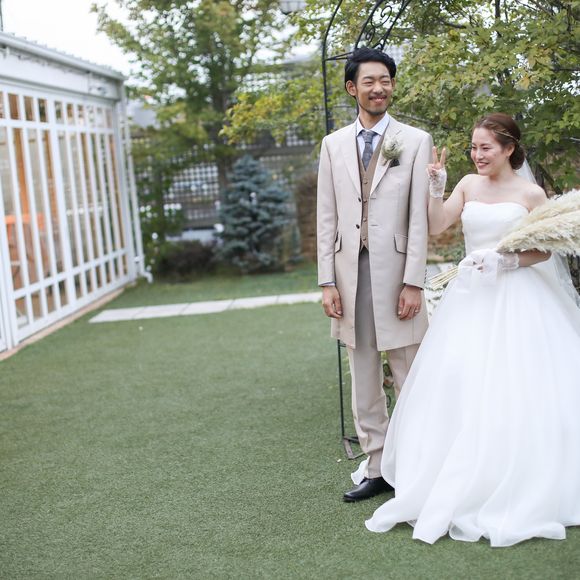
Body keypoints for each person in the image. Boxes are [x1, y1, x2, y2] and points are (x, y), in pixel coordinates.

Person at [365, 113, 580, 546]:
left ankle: (520, 473)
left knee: (520, 383)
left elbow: (545, 249)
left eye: (485, 148)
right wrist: (437, 188)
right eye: (473, 147)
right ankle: (459, 469)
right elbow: (438, 224)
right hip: (471, 299)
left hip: (519, 296)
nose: (477, 155)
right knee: (462, 379)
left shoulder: (531, 193)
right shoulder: (467, 184)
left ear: (508, 149)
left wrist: (507, 260)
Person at [317, 47, 433, 502]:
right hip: (349, 274)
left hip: (398, 272)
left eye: (385, 80)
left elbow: (419, 218)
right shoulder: (332, 145)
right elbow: (326, 216)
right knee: (363, 371)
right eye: (369, 81)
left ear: (393, 85)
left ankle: (420, 463)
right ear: (353, 88)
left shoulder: (415, 141)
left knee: (409, 371)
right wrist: (327, 281)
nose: (378, 88)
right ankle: (377, 466)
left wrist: (414, 281)